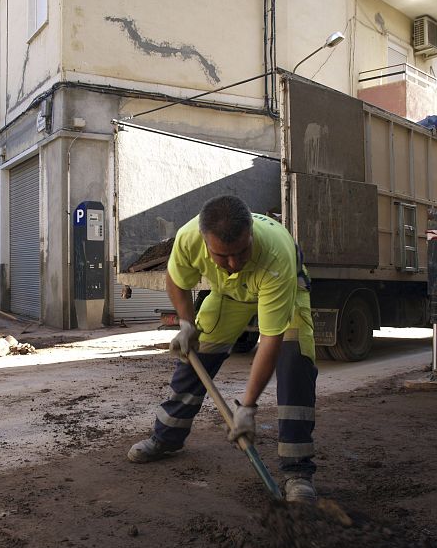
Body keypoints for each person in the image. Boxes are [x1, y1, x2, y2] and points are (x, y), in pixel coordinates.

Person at [127, 195, 319, 503]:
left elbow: (270, 339)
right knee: (195, 358)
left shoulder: (275, 256)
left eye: (241, 252)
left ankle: (297, 472)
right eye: (222, 256)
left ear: (251, 236)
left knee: (295, 363)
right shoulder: (190, 239)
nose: (232, 263)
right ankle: (167, 438)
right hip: (228, 295)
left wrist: (248, 407)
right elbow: (177, 280)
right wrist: (187, 325)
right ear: (205, 243)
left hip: (286, 289)